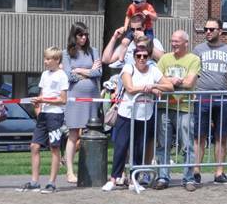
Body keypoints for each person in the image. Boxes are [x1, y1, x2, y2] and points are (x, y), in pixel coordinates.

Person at [102, 43, 172, 192]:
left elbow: (169, 86)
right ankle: (114, 179)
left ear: (149, 57)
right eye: (138, 56)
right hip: (126, 114)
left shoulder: (153, 69)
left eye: (145, 56)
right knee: (121, 146)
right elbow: (130, 88)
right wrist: (149, 88)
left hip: (144, 115)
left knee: (139, 149)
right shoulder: (129, 68)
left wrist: (155, 86)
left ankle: (134, 179)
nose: (141, 59)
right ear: (134, 57)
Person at [192, 18, 227, 184]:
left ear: (220, 31)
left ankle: (219, 172)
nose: (208, 32)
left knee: (221, 136)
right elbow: (193, 73)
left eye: (212, 29)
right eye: (206, 29)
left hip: (223, 98)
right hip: (202, 97)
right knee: (199, 136)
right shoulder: (198, 49)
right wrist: (193, 92)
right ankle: (196, 171)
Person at [154, 30, 201, 191]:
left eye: (177, 41)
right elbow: (155, 78)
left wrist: (168, 82)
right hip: (164, 107)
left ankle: (188, 178)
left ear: (185, 43)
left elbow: (189, 82)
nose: (173, 44)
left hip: (185, 108)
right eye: (172, 41)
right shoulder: (164, 59)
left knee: (187, 144)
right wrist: (173, 80)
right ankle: (162, 177)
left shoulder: (193, 59)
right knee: (163, 144)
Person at [19, 47, 69, 194]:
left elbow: (63, 100)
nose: (45, 61)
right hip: (43, 115)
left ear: (57, 60)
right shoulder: (44, 75)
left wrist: (43, 100)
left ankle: (51, 183)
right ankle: (34, 181)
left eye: (48, 59)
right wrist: (38, 105)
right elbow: (41, 94)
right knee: (34, 146)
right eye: (45, 58)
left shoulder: (62, 75)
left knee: (54, 147)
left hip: (55, 116)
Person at [61, 22, 101, 184]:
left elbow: (98, 72)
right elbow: (68, 76)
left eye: (86, 35)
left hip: (92, 98)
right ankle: (70, 171)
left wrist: (79, 70)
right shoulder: (66, 53)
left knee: (88, 133)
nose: (84, 38)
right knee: (73, 134)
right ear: (74, 36)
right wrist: (89, 72)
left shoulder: (93, 51)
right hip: (74, 98)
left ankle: (88, 171)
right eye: (80, 35)